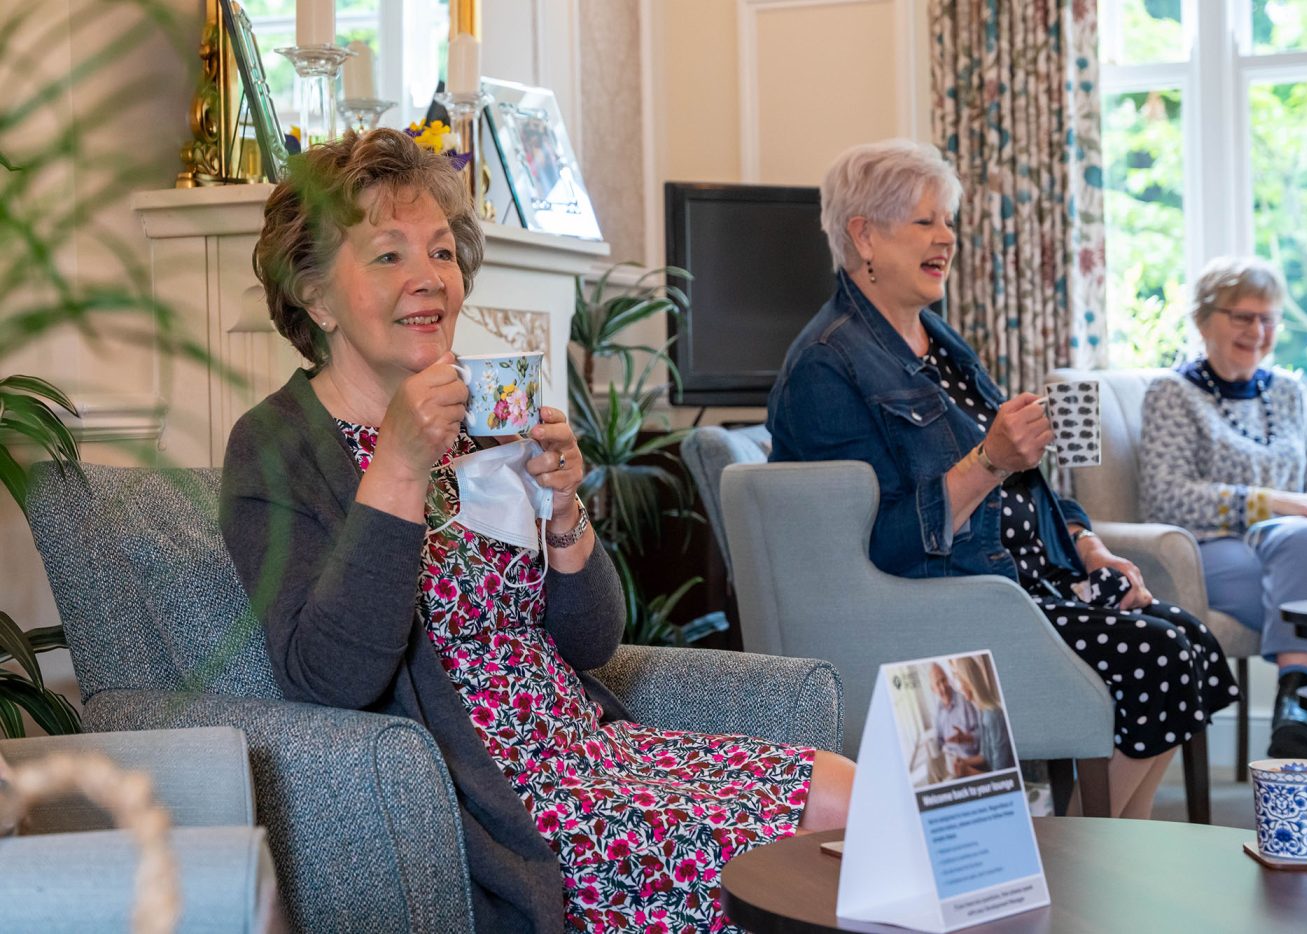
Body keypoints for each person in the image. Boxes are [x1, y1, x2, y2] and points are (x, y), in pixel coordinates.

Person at [219, 128, 855, 933]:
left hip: (594, 753)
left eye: (443, 254)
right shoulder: (277, 446)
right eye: (388, 256)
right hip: (506, 797)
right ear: (313, 294)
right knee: (799, 874)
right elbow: (329, 676)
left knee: (855, 797)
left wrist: (563, 510)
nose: (429, 279)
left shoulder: (483, 422)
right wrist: (401, 467)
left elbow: (590, 642)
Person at [767, 138, 1237, 820]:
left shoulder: (936, 339)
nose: (946, 237)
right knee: (1158, 655)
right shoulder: (825, 366)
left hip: (1026, 582)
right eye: (923, 221)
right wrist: (986, 461)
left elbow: (1023, 484)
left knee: (1188, 640)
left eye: (947, 220)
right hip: (955, 611)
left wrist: (1085, 542)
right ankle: (1082, 865)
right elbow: (873, 549)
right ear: (862, 235)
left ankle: (1089, 862)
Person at [1139, 256, 1307, 850]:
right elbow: (1165, 495)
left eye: (1269, 319)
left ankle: (1295, 709)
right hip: (1210, 554)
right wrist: (1272, 503)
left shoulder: (1290, 392)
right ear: (1205, 320)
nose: (1258, 331)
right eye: (1243, 317)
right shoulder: (1171, 394)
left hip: (1291, 551)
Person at [948, 655, 1015, 775]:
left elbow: (1001, 773)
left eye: (958, 679)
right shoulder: (982, 711)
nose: (958, 687)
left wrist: (967, 771)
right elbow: (984, 756)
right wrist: (963, 761)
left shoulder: (993, 716)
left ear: (968, 681)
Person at [928, 661, 980, 760]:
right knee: (931, 764)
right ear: (933, 689)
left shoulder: (965, 701)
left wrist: (966, 738)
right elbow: (940, 740)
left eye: (943, 680)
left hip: (969, 758)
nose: (943, 687)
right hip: (950, 758)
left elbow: (981, 735)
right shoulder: (938, 710)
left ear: (948, 679)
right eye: (937, 684)